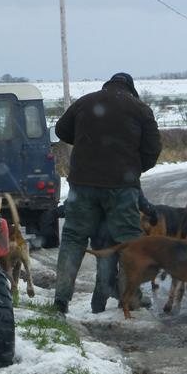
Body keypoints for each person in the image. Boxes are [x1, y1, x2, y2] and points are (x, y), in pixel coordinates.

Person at [53, 72, 162, 315]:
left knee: (73, 238)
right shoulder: (140, 109)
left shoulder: (85, 102)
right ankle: (130, 297)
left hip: (82, 184)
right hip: (121, 187)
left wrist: (85, 142)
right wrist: (132, 169)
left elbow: (61, 130)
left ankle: (61, 299)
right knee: (129, 243)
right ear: (131, 89)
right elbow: (153, 150)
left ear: (107, 85)